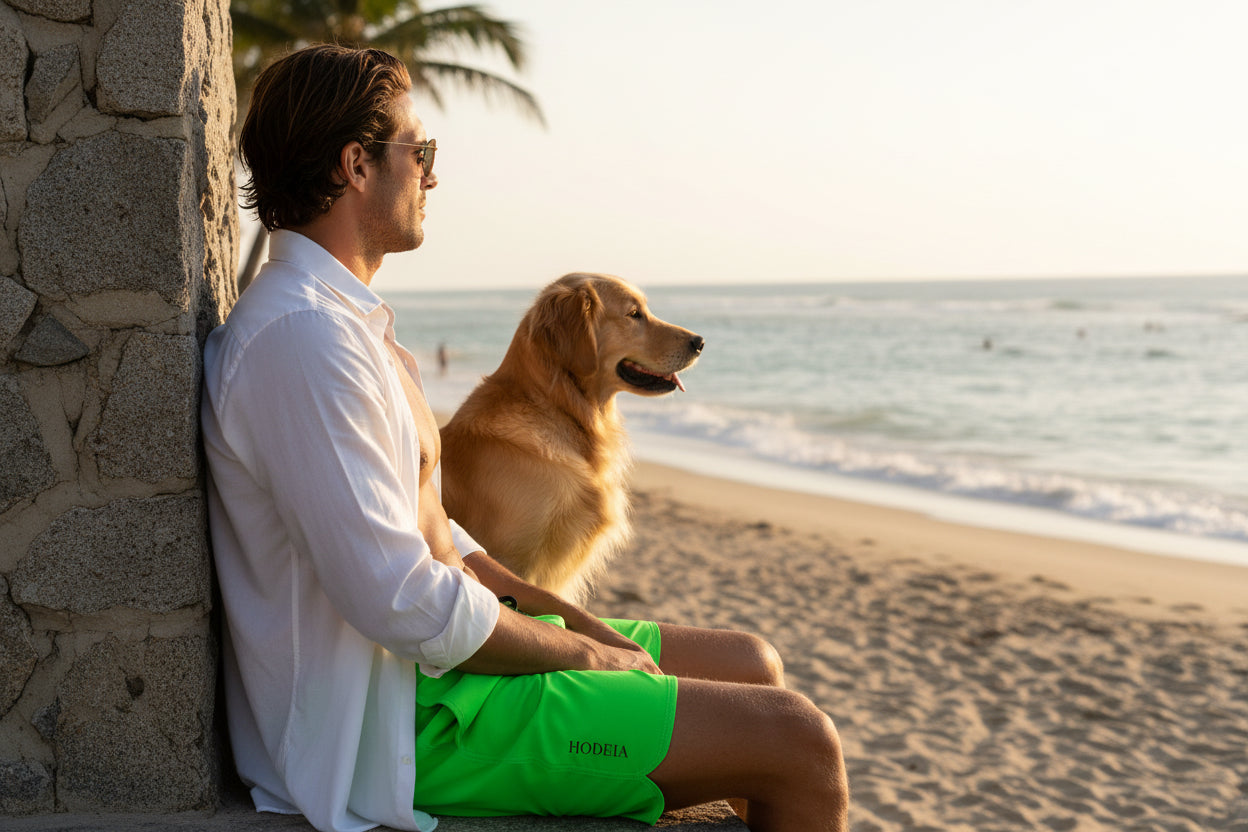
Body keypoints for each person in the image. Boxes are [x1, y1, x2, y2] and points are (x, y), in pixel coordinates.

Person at [202, 44, 848, 832]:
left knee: (752, 663)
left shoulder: (337, 323)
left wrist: (565, 615)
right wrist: (590, 658)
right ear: (356, 166)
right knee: (801, 742)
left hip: (432, 680)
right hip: (402, 727)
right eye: (420, 151)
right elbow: (401, 597)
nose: (433, 175)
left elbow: (434, 534)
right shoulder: (303, 343)